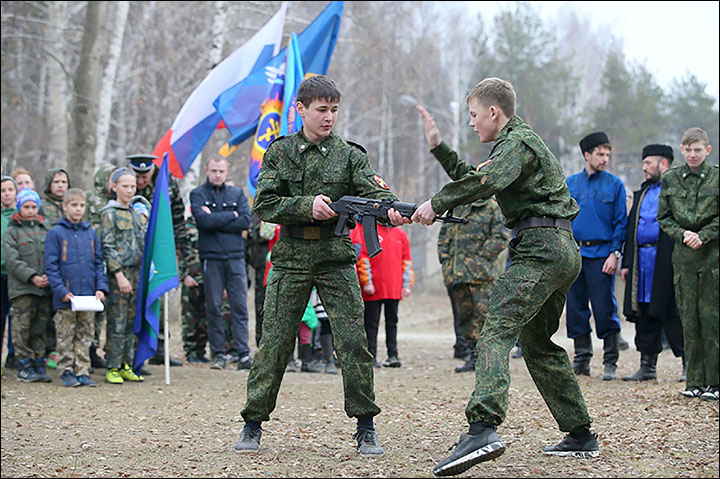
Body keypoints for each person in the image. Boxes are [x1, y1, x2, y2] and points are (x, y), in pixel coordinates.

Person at [400, 77, 598, 476]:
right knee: (538, 343)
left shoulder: (516, 143)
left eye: (474, 115)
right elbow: (477, 177)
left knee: (494, 332)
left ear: (494, 112)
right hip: (555, 247)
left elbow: (486, 181)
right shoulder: (513, 148)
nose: (472, 123)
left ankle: (482, 428)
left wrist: (435, 204)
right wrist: (439, 147)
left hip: (540, 248)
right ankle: (579, 433)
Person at [236, 75, 401, 456]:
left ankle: (365, 425)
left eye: (334, 110)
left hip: (335, 258)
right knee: (274, 343)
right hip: (291, 257)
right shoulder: (280, 153)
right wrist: (304, 206)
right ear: (301, 110)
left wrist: (392, 209)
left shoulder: (350, 155)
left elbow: (375, 191)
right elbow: (263, 203)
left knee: (353, 343)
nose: (329, 118)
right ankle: (252, 422)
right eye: (322, 110)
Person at [658, 127, 718, 401]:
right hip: (683, 258)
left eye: (698, 149)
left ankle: (715, 382)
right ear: (681, 150)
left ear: (707, 150)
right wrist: (682, 234)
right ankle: (694, 381)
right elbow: (663, 217)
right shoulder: (670, 179)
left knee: (712, 320)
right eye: (688, 149)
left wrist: (703, 236)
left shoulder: (717, 177)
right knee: (689, 321)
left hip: (711, 258)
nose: (693, 154)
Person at [565, 131, 628, 381]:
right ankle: (581, 358)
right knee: (576, 307)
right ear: (586, 155)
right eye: (600, 154)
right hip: (575, 253)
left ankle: (610, 359)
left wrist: (615, 254)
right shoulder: (570, 184)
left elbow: (620, 223)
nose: (604, 159)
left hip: (602, 255)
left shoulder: (615, 185)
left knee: (604, 308)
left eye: (607, 155)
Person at [621, 144, 685, 382]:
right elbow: (631, 230)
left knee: (671, 310)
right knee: (644, 310)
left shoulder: (677, 192)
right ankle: (647, 366)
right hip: (642, 262)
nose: (644, 168)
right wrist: (627, 263)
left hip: (666, 259)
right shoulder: (642, 193)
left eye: (648, 163)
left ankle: (687, 363)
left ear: (664, 164)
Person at [190, 157, 252, 371]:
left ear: (227, 171)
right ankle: (218, 353)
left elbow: (245, 221)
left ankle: (243, 353)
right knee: (214, 307)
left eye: (221, 171)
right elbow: (203, 222)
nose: (217, 174)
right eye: (214, 170)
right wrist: (231, 215)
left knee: (239, 307)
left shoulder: (237, 194)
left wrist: (216, 218)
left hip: (235, 258)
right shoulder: (198, 194)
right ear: (207, 170)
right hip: (211, 258)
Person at [437, 198, 510, 373]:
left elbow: (501, 236)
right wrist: (446, 261)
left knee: (483, 315)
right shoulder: (456, 206)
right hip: (456, 274)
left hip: (481, 275)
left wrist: (480, 257)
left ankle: (485, 357)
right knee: (464, 317)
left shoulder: (492, 207)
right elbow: (443, 237)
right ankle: (472, 355)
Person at [44, 188, 108, 387]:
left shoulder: (90, 233)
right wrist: (61, 291)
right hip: (67, 298)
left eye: (81, 205)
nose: (78, 209)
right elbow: (51, 266)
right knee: (65, 336)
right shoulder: (56, 233)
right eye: (74, 205)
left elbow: (99, 263)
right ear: (65, 207)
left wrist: (101, 288)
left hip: (88, 296)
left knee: (85, 335)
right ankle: (66, 370)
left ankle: (82, 369)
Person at [128, 154, 185, 367]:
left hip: (158, 252)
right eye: (137, 176)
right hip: (133, 252)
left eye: (145, 175)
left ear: (152, 171)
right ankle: (134, 350)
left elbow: (177, 217)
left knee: (158, 298)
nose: (140, 180)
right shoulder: (124, 183)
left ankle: (160, 348)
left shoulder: (166, 184)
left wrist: (177, 248)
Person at [99, 167, 147, 384]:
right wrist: (118, 274)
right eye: (125, 186)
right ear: (114, 187)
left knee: (131, 322)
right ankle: (113, 365)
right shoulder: (109, 213)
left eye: (132, 187)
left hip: (136, 273)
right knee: (116, 322)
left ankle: (127, 363)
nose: (129, 191)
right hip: (120, 275)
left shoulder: (136, 214)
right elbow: (107, 245)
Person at [2, 188, 53, 383]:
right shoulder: (11, 231)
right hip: (23, 288)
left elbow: (52, 253)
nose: (30, 210)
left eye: (34, 207)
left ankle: (39, 361)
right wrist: (32, 276)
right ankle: (23, 363)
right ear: (19, 207)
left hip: (43, 287)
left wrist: (48, 276)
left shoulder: (45, 228)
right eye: (26, 207)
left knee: (40, 326)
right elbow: (12, 261)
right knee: (21, 327)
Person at [351, 222, 414, 368]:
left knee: (392, 323)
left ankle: (393, 355)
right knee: (371, 324)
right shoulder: (370, 232)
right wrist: (367, 282)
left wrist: (406, 285)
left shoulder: (400, 234)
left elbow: (407, 261)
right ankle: (371, 356)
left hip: (394, 288)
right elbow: (363, 259)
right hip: (373, 289)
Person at [83, 164, 118, 372]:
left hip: (108, 256)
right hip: (90, 256)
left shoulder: (115, 202)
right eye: (111, 178)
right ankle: (87, 348)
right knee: (90, 307)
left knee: (103, 307)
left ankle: (97, 348)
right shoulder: (89, 199)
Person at [1, 176, 18, 373]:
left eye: (10, 190)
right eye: (3, 190)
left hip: (17, 276)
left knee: (17, 317)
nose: (6, 194)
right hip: (1, 273)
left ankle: (14, 355)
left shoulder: (20, 216)